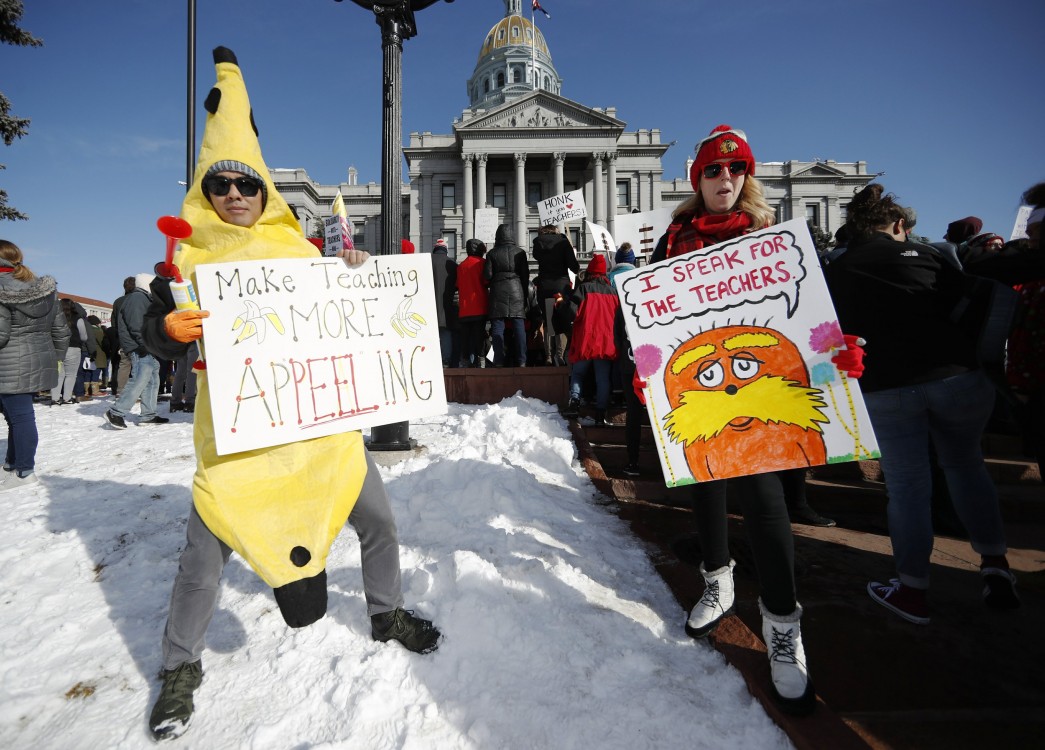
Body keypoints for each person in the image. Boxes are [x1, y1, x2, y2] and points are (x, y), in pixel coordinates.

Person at [140, 47, 440, 741]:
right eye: (221, 185)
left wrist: (358, 275)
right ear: (205, 193)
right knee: (201, 565)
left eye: (246, 182)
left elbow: (351, 319)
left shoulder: (304, 253)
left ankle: (386, 612)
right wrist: (168, 328)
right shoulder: (189, 261)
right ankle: (180, 667)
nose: (235, 194)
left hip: (321, 431)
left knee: (380, 525)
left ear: (263, 190)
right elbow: (156, 338)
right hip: (240, 444)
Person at [648, 125, 858, 715]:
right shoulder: (673, 240)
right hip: (701, 391)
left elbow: (813, 311)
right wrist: (646, 369)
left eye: (734, 169)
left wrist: (834, 350)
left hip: (759, 390)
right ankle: (719, 579)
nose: (724, 179)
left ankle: (783, 628)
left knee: (766, 503)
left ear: (747, 177)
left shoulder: (774, 237)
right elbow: (653, 321)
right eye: (712, 171)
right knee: (704, 487)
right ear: (698, 180)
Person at [823, 184, 1019, 626]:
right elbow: (966, 304)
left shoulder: (836, 268)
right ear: (897, 225)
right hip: (958, 378)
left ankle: (912, 590)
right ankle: (996, 567)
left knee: (908, 488)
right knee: (967, 466)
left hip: (887, 388)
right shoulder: (928, 255)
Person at [0, 241, 69, 490]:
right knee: (16, 417)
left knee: (19, 417)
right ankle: (12, 465)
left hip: (8, 362)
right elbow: (61, 330)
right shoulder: (44, 289)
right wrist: (54, 360)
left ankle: (24, 472)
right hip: (36, 359)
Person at [103, 274, 169, 428]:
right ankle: (116, 412)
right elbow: (137, 325)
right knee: (140, 377)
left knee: (152, 379)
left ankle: (148, 415)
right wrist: (145, 344)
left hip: (145, 346)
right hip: (139, 346)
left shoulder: (144, 298)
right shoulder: (138, 298)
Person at [563, 254, 618, 424]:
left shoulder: (583, 289)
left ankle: (574, 403)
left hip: (585, 340)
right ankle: (601, 413)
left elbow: (572, 312)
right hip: (606, 342)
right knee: (603, 378)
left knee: (578, 374)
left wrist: (560, 303)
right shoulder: (614, 292)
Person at [531, 222, 579, 365]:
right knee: (563, 319)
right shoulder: (563, 243)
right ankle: (560, 354)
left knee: (548, 320)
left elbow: (536, 256)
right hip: (560, 287)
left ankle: (549, 356)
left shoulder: (538, 243)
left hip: (544, 286)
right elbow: (574, 267)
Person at [483, 224, 529, 367]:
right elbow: (525, 276)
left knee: (497, 327)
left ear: (498, 236)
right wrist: (525, 295)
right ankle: (522, 360)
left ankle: (498, 360)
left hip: (498, 290)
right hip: (516, 289)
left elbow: (487, 275)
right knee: (519, 326)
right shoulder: (520, 252)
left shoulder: (492, 253)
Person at [50, 298, 95, 406]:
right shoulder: (78, 318)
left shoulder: (54, 317)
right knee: (71, 375)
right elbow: (84, 336)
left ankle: (55, 399)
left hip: (57, 348)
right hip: (73, 348)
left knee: (58, 374)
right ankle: (67, 398)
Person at [456, 239, 489, 367]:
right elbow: (486, 282)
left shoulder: (461, 266)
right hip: (479, 306)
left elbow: (458, 285)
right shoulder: (482, 263)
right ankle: (481, 361)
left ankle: (464, 361)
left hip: (464, 309)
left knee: (465, 338)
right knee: (479, 336)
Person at [430, 238, 459, 367]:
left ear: (435, 249)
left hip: (428, 307)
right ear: (446, 250)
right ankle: (445, 361)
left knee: (430, 336)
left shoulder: (426, 262)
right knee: (446, 332)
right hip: (447, 308)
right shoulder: (452, 264)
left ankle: (431, 362)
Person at [109, 276, 135, 396]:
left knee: (123, 365)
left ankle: (120, 390)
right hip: (135, 336)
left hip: (121, 337)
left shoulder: (118, 301)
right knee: (138, 365)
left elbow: (113, 321)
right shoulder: (137, 299)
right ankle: (136, 391)